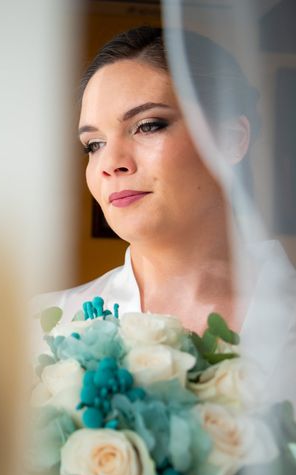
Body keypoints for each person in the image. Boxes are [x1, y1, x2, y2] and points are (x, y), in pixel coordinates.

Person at [32, 26, 296, 403]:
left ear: (230, 139)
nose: (110, 164)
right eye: (93, 144)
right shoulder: (42, 329)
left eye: (147, 125)